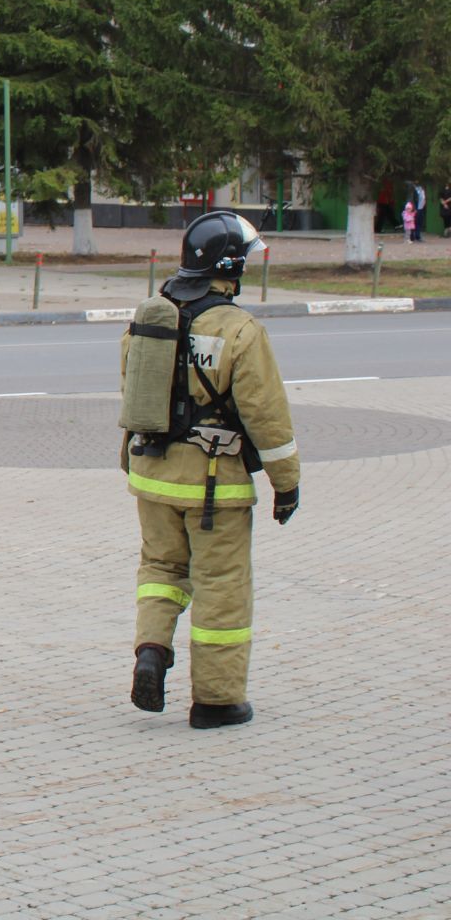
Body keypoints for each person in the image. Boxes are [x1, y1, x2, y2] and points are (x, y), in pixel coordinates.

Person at [122, 211, 300, 729]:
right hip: (212, 488)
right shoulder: (239, 329)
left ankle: (151, 651)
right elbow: (268, 417)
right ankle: (217, 701)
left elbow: (131, 393)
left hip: (151, 477)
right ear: (232, 265)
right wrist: (286, 485)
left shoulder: (147, 318)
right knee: (220, 586)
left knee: (160, 571)